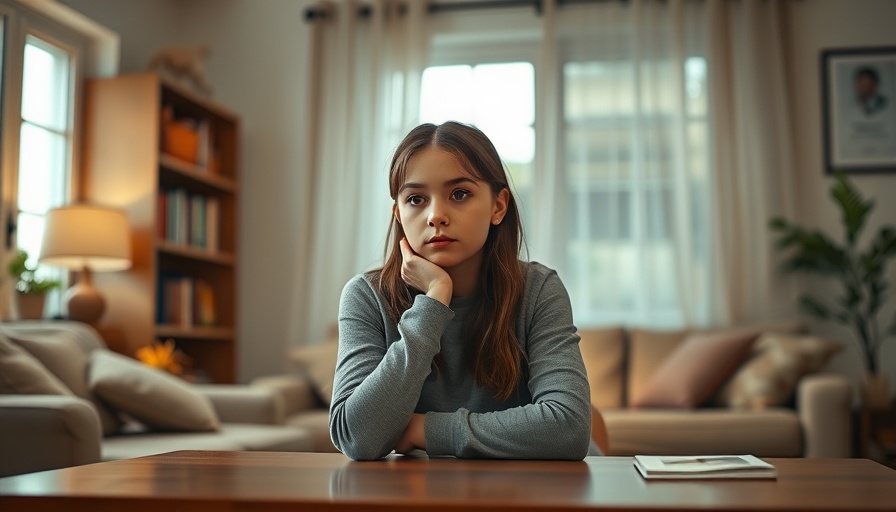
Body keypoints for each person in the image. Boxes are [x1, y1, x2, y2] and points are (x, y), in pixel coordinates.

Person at [329, 121, 594, 460]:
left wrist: (424, 429)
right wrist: (434, 298)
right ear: (399, 214)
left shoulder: (538, 290)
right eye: (416, 199)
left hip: (528, 486)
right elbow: (355, 437)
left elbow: (569, 428)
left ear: (498, 206)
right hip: (419, 488)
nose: (436, 215)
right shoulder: (366, 297)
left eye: (459, 194)